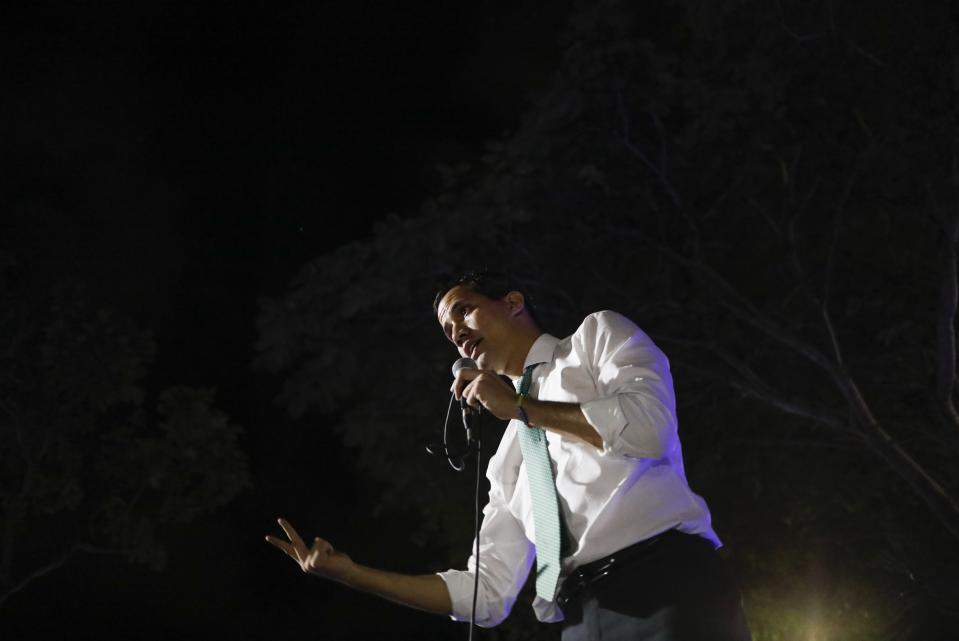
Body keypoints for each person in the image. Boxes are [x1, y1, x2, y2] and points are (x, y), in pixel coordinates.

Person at [265, 271, 751, 640]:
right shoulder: (507, 459)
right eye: (446, 329)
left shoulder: (595, 338)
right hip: (580, 618)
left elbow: (649, 428)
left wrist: (520, 406)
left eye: (464, 310)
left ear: (513, 302)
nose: (454, 330)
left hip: (668, 581)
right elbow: (486, 594)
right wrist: (353, 575)